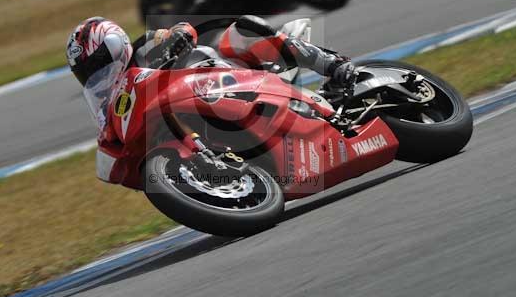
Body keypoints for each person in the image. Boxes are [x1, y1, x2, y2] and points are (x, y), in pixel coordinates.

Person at [66, 15, 356, 183]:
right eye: (90, 72)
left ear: (117, 45)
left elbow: (182, 29)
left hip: (225, 77)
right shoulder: (118, 103)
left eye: (102, 61)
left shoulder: (145, 46)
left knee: (242, 33)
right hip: (195, 112)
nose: (100, 73)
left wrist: (177, 39)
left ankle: (332, 65)